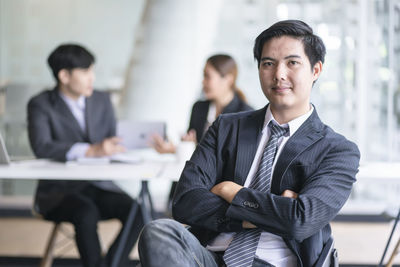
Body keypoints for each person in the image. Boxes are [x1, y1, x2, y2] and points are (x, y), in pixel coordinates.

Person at [138, 20, 360, 267]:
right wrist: (264, 214)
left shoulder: (337, 150)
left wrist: (233, 192)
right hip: (209, 257)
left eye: (292, 63)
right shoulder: (226, 127)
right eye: (268, 63)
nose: (279, 74)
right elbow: (185, 201)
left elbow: (300, 220)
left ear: (316, 70)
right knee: (159, 232)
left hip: (275, 262)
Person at [27, 44, 143, 267]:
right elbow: (42, 146)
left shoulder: (101, 100)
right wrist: (90, 150)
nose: (93, 77)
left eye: (92, 71)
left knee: (139, 211)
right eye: (86, 71)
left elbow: (111, 140)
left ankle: (110, 265)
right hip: (59, 192)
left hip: (99, 186)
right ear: (64, 76)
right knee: (85, 212)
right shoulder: (41, 104)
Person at [152, 54, 253, 153]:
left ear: (228, 79)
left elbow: (235, 159)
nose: (203, 82)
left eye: (207, 76)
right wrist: (182, 148)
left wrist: (193, 149)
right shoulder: (199, 108)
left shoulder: (246, 115)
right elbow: (192, 150)